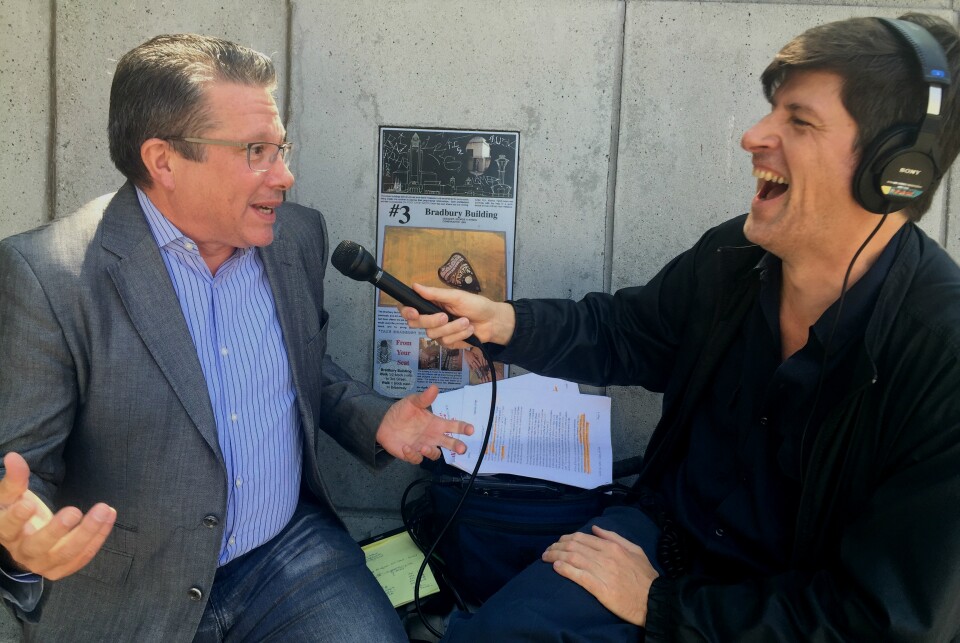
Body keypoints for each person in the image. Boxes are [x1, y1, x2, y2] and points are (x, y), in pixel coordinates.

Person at [402, 13, 960, 641]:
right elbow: (624, 333)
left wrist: (668, 608)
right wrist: (506, 321)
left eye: (799, 121)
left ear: (895, 171)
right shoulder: (734, 258)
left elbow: (885, 622)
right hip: (661, 546)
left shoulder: (942, 353)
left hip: (790, 606)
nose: (753, 136)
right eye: (771, 112)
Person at [0, 34, 472, 641]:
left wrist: (376, 418)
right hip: (127, 587)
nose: (285, 175)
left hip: (287, 553)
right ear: (163, 160)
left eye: (280, 147)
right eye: (255, 151)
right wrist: (22, 545)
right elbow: (18, 471)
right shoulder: (49, 276)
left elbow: (306, 370)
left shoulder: (296, 237)